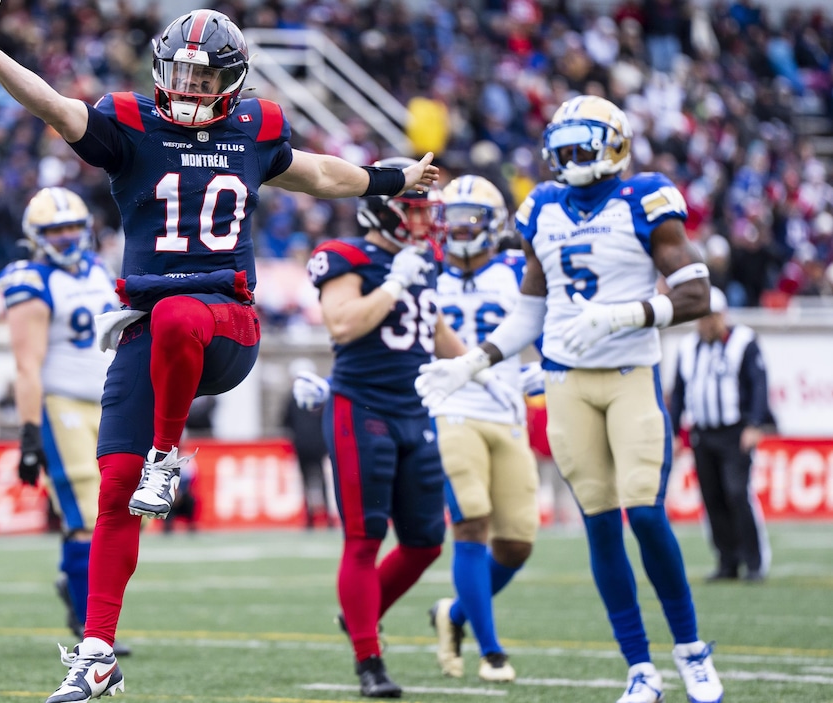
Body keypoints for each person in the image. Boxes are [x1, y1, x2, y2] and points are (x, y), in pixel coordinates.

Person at [0, 9, 439, 702]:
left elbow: (318, 173)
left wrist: (386, 178)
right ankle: (98, 654)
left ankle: (168, 458)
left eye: (203, 74)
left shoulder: (255, 128)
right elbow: (53, 104)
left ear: (230, 80)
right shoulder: (132, 123)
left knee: (177, 315)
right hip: (150, 330)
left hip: (227, 324)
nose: (189, 85)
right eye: (181, 71)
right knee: (112, 489)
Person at [416, 96, 723, 703]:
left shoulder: (646, 200)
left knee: (646, 513)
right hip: (565, 382)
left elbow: (697, 296)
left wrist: (624, 316)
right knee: (601, 528)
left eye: (585, 142)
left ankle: (690, 651)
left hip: (631, 370)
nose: (571, 155)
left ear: (615, 145)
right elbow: (529, 313)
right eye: (565, 143)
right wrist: (474, 362)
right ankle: (639, 668)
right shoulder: (542, 207)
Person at [295, 167, 522, 697]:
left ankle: (360, 615)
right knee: (364, 537)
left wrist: (487, 372)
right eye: (416, 209)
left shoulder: (422, 262)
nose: (426, 220)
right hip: (361, 408)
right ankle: (368, 659)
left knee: (424, 543)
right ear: (385, 209)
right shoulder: (347, 256)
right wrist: (394, 280)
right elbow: (343, 323)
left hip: (415, 410)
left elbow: (433, 329)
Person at [0, 186, 127, 654]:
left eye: (73, 227)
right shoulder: (30, 280)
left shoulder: (98, 270)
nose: (68, 237)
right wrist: (29, 433)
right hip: (61, 405)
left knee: (124, 511)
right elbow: (27, 365)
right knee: (86, 517)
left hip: (108, 401)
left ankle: (72, 584)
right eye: (56, 230)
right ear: (37, 235)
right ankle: (88, 626)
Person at [422, 176, 539, 683]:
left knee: (516, 544)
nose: (462, 227)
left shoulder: (517, 269)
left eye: (473, 216)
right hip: (450, 407)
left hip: (508, 410)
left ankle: (453, 615)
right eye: (454, 216)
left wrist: (548, 368)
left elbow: (547, 323)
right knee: (471, 523)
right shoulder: (424, 270)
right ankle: (492, 653)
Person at [669, 286, 771, 582]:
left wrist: (754, 423)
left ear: (722, 315)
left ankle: (754, 561)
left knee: (738, 493)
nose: (705, 323)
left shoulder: (743, 341)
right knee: (711, 497)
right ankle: (728, 561)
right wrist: (676, 431)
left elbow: (758, 384)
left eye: (710, 317)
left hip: (735, 431)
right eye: (700, 317)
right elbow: (678, 393)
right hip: (702, 433)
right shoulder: (688, 348)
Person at [283, 358, 331, 530]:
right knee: (321, 480)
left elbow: (285, 422)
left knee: (307, 480)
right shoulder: (322, 397)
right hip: (319, 444)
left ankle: (310, 517)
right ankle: (325, 516)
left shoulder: (291, 398)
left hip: (302, 445)